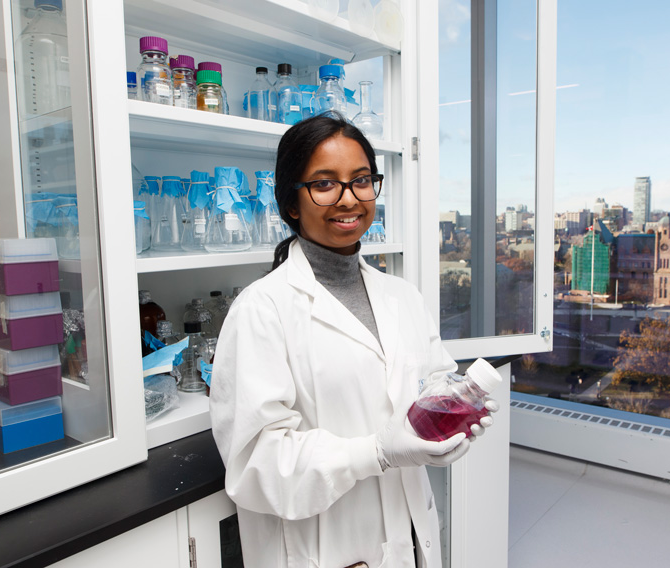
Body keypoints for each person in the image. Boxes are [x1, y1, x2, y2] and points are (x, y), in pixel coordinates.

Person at [211, 115, 497, 568]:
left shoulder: (402, 296)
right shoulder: (261, 310)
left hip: (412, 541)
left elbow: (430, 382)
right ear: (290, 203)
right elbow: (257, 467)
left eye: (361, 180)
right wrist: (376, 452)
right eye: (325, 184)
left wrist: (454, 409)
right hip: (325, 551)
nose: (349, 199)